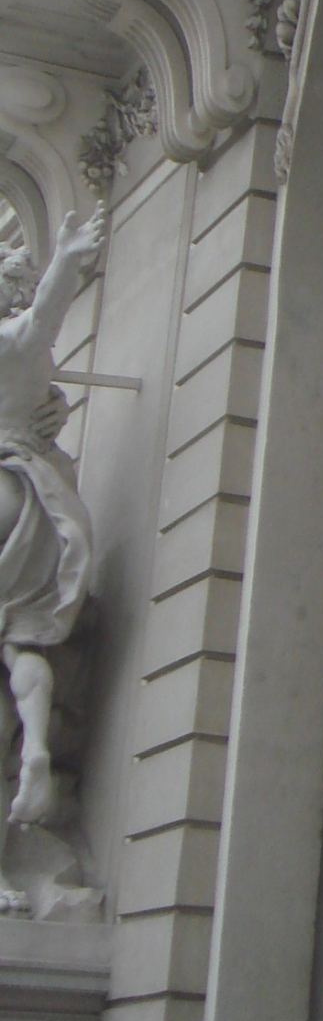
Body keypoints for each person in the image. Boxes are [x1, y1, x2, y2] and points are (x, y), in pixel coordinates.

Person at [0, 205, 105, 873]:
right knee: (23, 636)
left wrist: (64, 263)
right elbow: (44, 320)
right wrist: (66, 262)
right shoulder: (22, 354)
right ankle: (35, 743)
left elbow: (41, 318)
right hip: (29, 492)